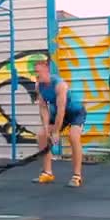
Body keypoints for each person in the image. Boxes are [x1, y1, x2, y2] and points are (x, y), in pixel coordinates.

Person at [32, 58, 87, 188]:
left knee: (73, 137)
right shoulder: (38, 85)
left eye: (38, 71)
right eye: (35, 71)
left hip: (75, 113)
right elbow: (43, 108)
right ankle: (47, 173)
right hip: (57, 113)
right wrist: (46, 128)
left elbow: (61, 110)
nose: (36, 74)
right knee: (41, 135)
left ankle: (77, 176)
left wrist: (56, 131)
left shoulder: (60, 85)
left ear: (47, 71)